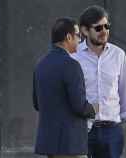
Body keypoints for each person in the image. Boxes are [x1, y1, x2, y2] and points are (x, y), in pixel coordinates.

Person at [71, 5, 126, 158]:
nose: (104, 31)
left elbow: (125, 93)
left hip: (113, 131)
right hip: (83, 130)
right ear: (84, 31)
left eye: (107, 26)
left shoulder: (118, 55)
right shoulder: (74, 55)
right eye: (98, 28)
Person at [32, 17, 97, 158]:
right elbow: (79, 106)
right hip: (70, 145)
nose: (80, 40)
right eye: (78, 36)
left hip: (50, 145)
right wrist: (93, 109)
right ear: (68, 37)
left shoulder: (40, 65)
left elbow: (37, 104)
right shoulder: (71, 65)